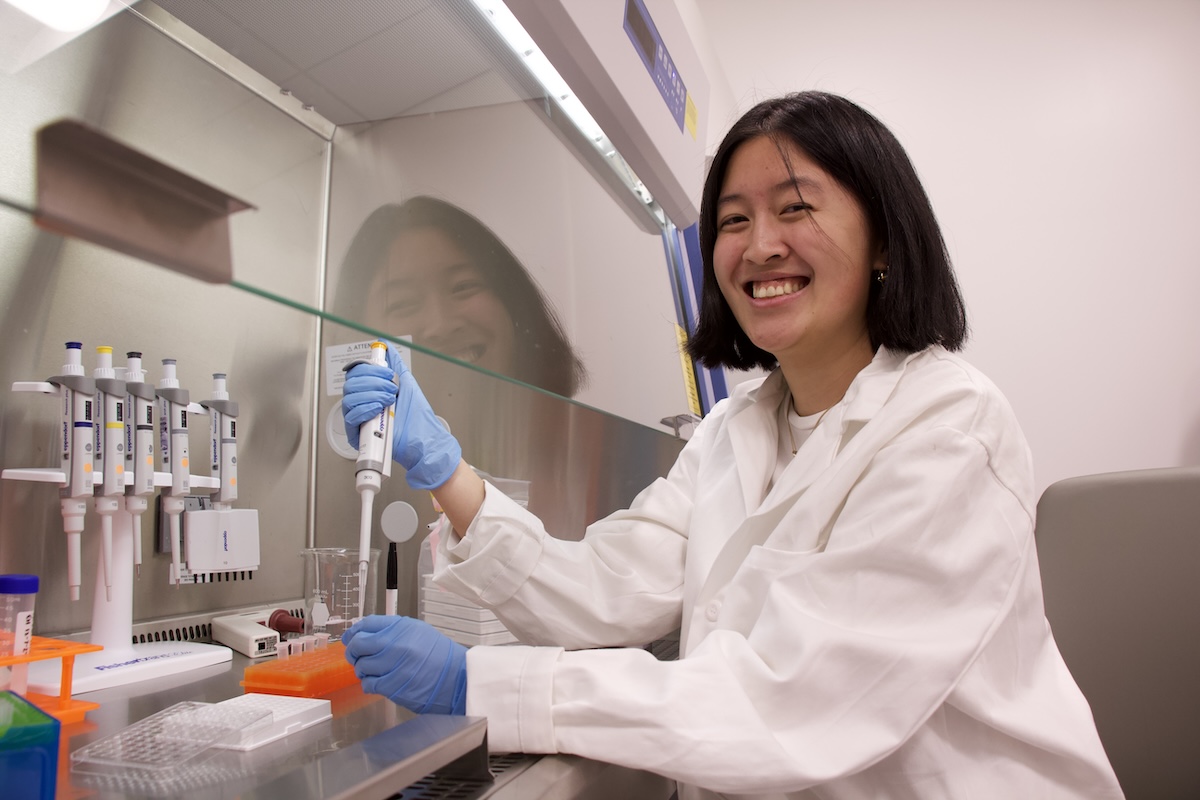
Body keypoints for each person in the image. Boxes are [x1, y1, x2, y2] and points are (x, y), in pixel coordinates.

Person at [339, 92, 1124, 799]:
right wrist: (443, 468)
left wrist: (476, 681)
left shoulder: (949, 428)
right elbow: (608, 590)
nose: (759, 246)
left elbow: (790, 699)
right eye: (734, 221)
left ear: (884, 243)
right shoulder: (733, 429)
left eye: (795, 209)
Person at [335, 195, 586, 398]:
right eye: (402, 304)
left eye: (463, 286)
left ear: (513, 304)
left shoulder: (570, 443)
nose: (441, 325)